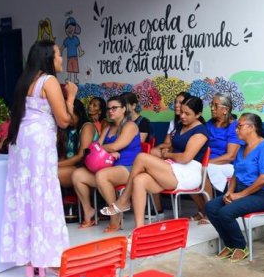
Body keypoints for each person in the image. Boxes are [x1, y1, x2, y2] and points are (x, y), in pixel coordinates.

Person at [1, 40, 77, 277]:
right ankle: (47, 257)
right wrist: (71, 97)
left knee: (26, 195)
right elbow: (64, 120)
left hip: (22, 142)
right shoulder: (49, 81)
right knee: (44, 193)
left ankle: (31, 260)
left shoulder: (25, 81)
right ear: (48, 57)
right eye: (58, 55)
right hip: (39, 143)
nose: (61, 59)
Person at [101, 96, 209, 230]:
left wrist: (167, 154)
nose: (182, 116)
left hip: (189, 174)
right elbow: (170, 146)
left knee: (141, 157)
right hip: (173, 169)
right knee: (139, 180)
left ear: (198, 114)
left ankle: (123, 200)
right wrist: (163, 153)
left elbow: (186, 157)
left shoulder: (200, 131)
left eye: (187, 114)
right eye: (181, 112)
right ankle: (139, 229)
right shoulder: (180, 125)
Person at [206, 113, 264, 262]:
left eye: (239, 126)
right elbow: (235, 174)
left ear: (251, 128)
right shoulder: (242, 148)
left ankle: (241, 246)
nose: (236, 130)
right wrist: (230, 192)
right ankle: (230, 245)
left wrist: (240, 195)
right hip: (242, 191)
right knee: (211, 207)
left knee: (226, 213)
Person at [71, 94, 141, 232]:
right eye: (109, 109)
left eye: (114, 108)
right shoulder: (108, 128)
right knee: (78, 174)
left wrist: (105, 150)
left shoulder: (131, 125)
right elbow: (93, 148)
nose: (110, 111)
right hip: (109, 168)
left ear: (124, 109)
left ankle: (115, 216)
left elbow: (115, 146)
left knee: (102, 176)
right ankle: (88, 211)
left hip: (129, 169)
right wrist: (107, 151)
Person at [192, 93, 245, 223]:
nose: (212, 108)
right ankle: (204, 209)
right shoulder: (210, 124)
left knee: (202, 169)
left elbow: (230, 156)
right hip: (209, 162)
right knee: (188, 171)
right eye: (212, 105)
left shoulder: (234, 127)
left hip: (228, 165)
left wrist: (205, 163)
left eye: (216, 106)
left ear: (225, 109)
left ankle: (211, 211)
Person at [57, 100, 98, 188]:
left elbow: (80, 156)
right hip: (71, 166)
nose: (67, 118)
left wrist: (55, 165)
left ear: (79, 114)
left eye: (70, 115)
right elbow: (64, 155)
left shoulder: (87, 127)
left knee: (53, 174)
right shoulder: (68, 129)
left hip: (83, 168)